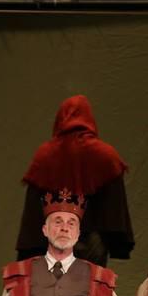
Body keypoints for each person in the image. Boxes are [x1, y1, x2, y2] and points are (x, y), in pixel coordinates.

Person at [15, 95, 134, 265]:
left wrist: (30, 247)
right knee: (91, 281)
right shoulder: (105, 155)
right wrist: (115, 241)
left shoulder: (45, 155)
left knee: (52, 280)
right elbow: (114, 206)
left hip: (52, 238)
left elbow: (33, 210)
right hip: (93, 240)